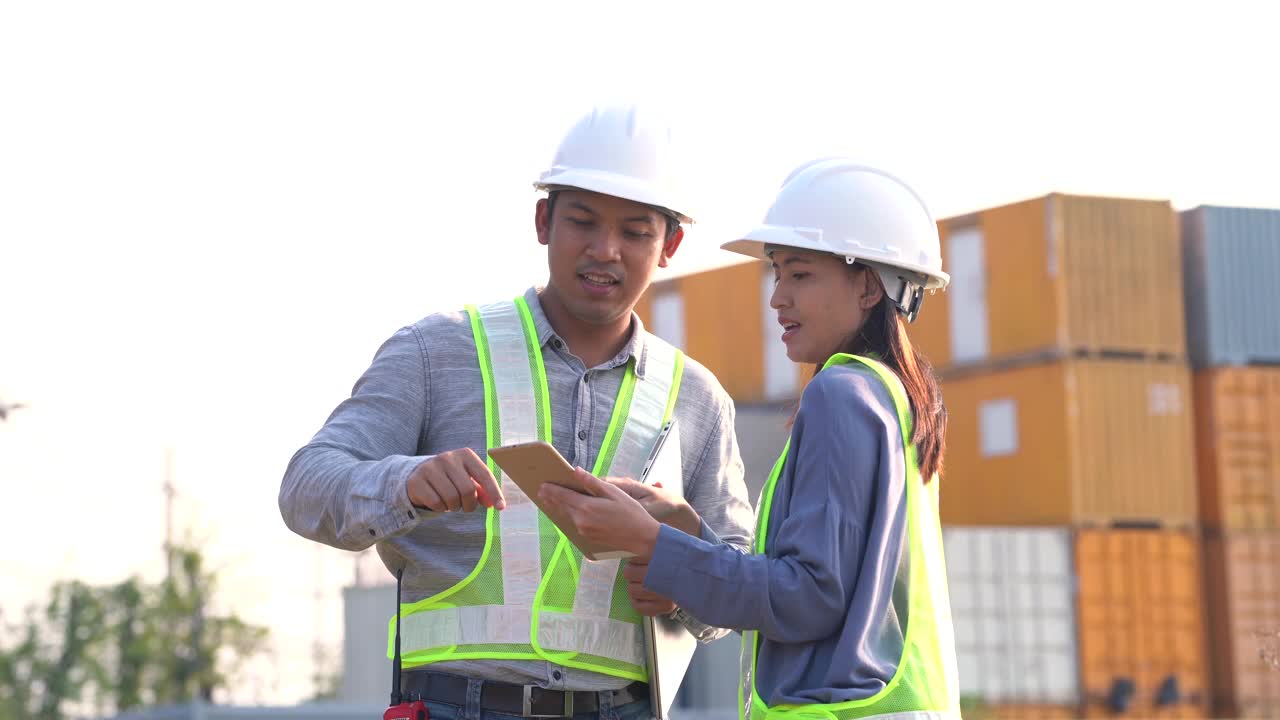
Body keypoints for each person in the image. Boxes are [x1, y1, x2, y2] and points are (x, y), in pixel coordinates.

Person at [278, 105, 754, 720]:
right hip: (455, 706)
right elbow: (305, 486)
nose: (605, 250)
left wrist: (684, 557)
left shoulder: (698, 398)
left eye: (636, 232)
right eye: (582, 221)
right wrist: (406, 483)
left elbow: (741, 592)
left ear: (671, 245)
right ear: (542, 221)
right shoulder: (435, 351)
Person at [540, 158, 961, 720]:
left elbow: (808, 597)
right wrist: (691, 531)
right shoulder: (894, 398)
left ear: (867, 286)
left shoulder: (840, 395)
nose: (777, 297)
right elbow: (829, 585)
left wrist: (650, 543)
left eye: (801, 275)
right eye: (777, 273)